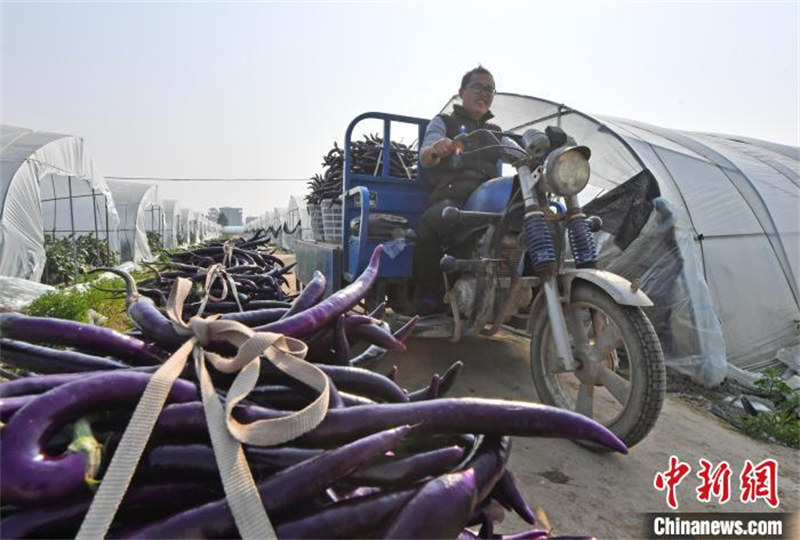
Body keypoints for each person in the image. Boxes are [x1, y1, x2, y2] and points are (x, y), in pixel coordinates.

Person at [413, 65, 503, 312]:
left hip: (488, 201)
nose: (484, 93)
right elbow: (426, 156)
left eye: (490, 89)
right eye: (478, 87)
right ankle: (430, 297)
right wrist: (436, 149)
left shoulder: (496, 133)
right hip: (453, 197)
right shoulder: (443, 122)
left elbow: (518, 155)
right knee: (431, 223)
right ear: (462, 91)